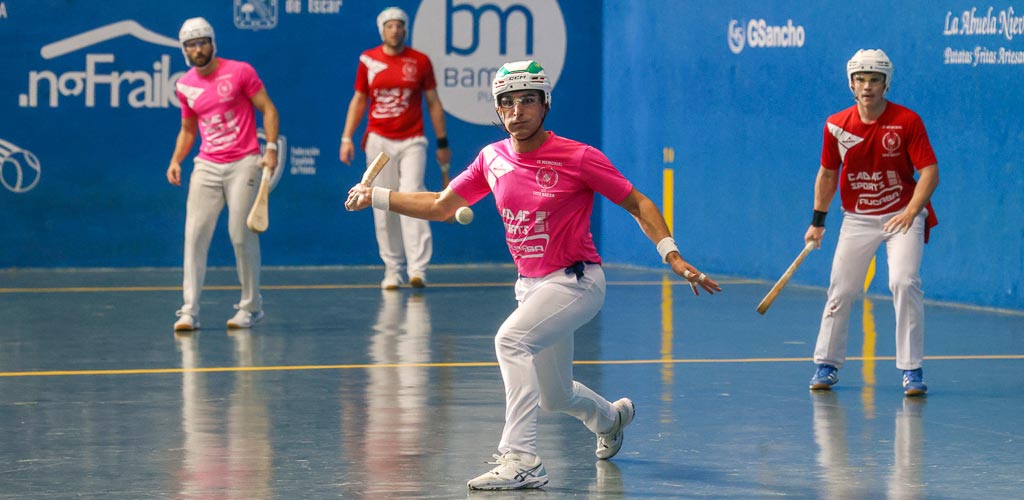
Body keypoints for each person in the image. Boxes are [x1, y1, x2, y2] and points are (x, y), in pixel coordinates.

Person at [345, 60, 722, 490]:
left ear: (545, 105)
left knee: (510, 340)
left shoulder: (579, 157)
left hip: (577, 281)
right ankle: (611, 418)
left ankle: (522, 459)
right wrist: (377, 195)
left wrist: (671, 254)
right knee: (554, 396)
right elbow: (441, 206)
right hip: (532, 287)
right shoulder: (491, 158)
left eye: (527, 100)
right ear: (497, 108)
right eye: (507, 102)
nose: (517, 111)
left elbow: (637, 202)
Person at [805, 49, 939, 396]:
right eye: (861, 79)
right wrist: (818, 221)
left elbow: (929, 172)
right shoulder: (836, 125)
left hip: (902, 215)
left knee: (904, 282)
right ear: (851, 84)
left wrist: (911, 211)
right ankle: (827, 364)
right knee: (842, 288)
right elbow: (827, 174)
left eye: (875, 80)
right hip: (858, 219)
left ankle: (912, 369)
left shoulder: (907, 121)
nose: (867, 86)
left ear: (886, 83)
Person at [166, 17, 280, 331]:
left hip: (244, 161)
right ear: (184, 50)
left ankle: (251, 307)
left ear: (213, 44)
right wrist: (176, 160)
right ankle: (189, 311)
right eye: (191, 45)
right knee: (194, 235)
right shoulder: (184, 85)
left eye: (202, 42)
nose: (198, 49)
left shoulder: (240, 71)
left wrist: (270, 147)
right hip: (206, 165)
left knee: (240, 235)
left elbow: (268, 109)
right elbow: (188, 129)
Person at [338, 6, 452, 290]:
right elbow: (359, 100)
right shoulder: (368, 60)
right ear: (382, 30)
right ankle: (392, 269)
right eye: (390, 26)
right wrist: (346, 137)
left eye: (400, 25)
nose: (395, 30)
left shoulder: (420, 61)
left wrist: (442, 142)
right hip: (379, 140)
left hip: (412, 140)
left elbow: (433, 103)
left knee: (412, 194)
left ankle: (418, 269)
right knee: (380, 200)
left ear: (405, 30)